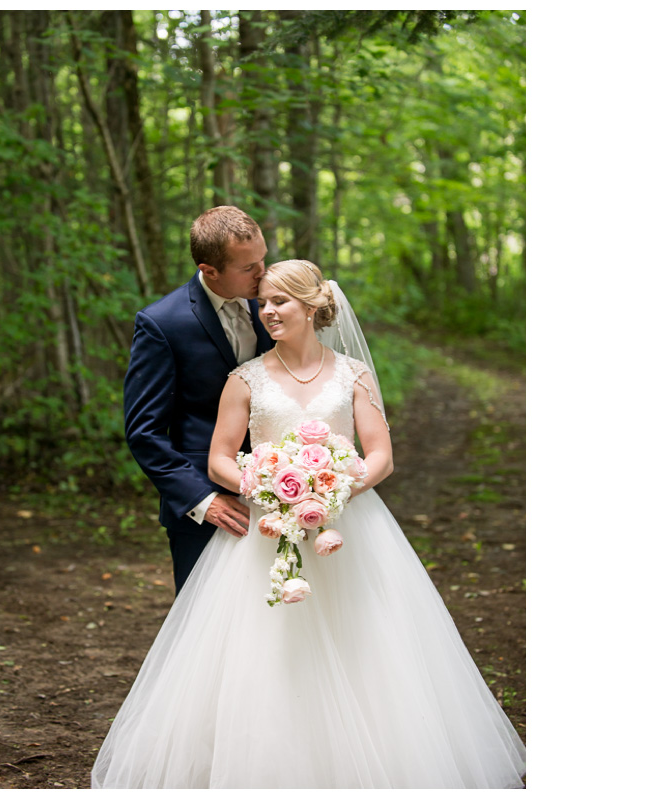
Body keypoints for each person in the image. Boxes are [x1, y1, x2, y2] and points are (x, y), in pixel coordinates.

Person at [93, 259, 527, 789]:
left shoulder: (353, 374)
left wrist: (333, 488)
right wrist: (268, 486)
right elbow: (220, 460)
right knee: (264, 647)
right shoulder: (245, 378)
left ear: (313, 307)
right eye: (264, 302)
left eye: (280, 302)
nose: (267, 311)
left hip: (350, 527)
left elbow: (381, 455)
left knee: (368, 641)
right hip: (267, 529)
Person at [123, 206, 274, 594]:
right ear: (210, 270)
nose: (263, 273)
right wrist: (202, 501)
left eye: (263, 259)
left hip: (280, 495)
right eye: (248, 268)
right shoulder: (163, 324)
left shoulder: (275, 305)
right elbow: (144, 432)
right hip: (206, 509)